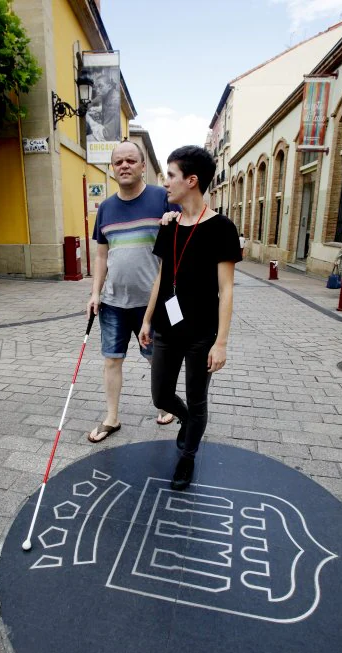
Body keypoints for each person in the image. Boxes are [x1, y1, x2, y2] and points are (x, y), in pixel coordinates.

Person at [139, 145, 241, 490]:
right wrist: (147, 320)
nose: (165, 183)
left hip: (202, 333)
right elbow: (161, 276)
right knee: (161, 397)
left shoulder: (222, 228)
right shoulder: (168, 225)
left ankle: (187, 456)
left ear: (191, 180)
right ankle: (189, 422)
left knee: (197, 398)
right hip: (167, 329)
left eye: (171, 176)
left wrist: (221, 342)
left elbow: (226, 289)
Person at [86, 140, 177, 443]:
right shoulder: (106, 208)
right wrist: (94, 292)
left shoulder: (162, 198)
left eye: (130, 160)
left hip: (152, 303)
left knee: (155, 357)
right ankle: (112, 417)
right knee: (112, 359)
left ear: (141, 166)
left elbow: (189, 224)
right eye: (118, 162)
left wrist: (176, 219)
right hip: (113, 302)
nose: (124, 166)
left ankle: (165, 403)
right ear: (113, 169)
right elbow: (101, 255)